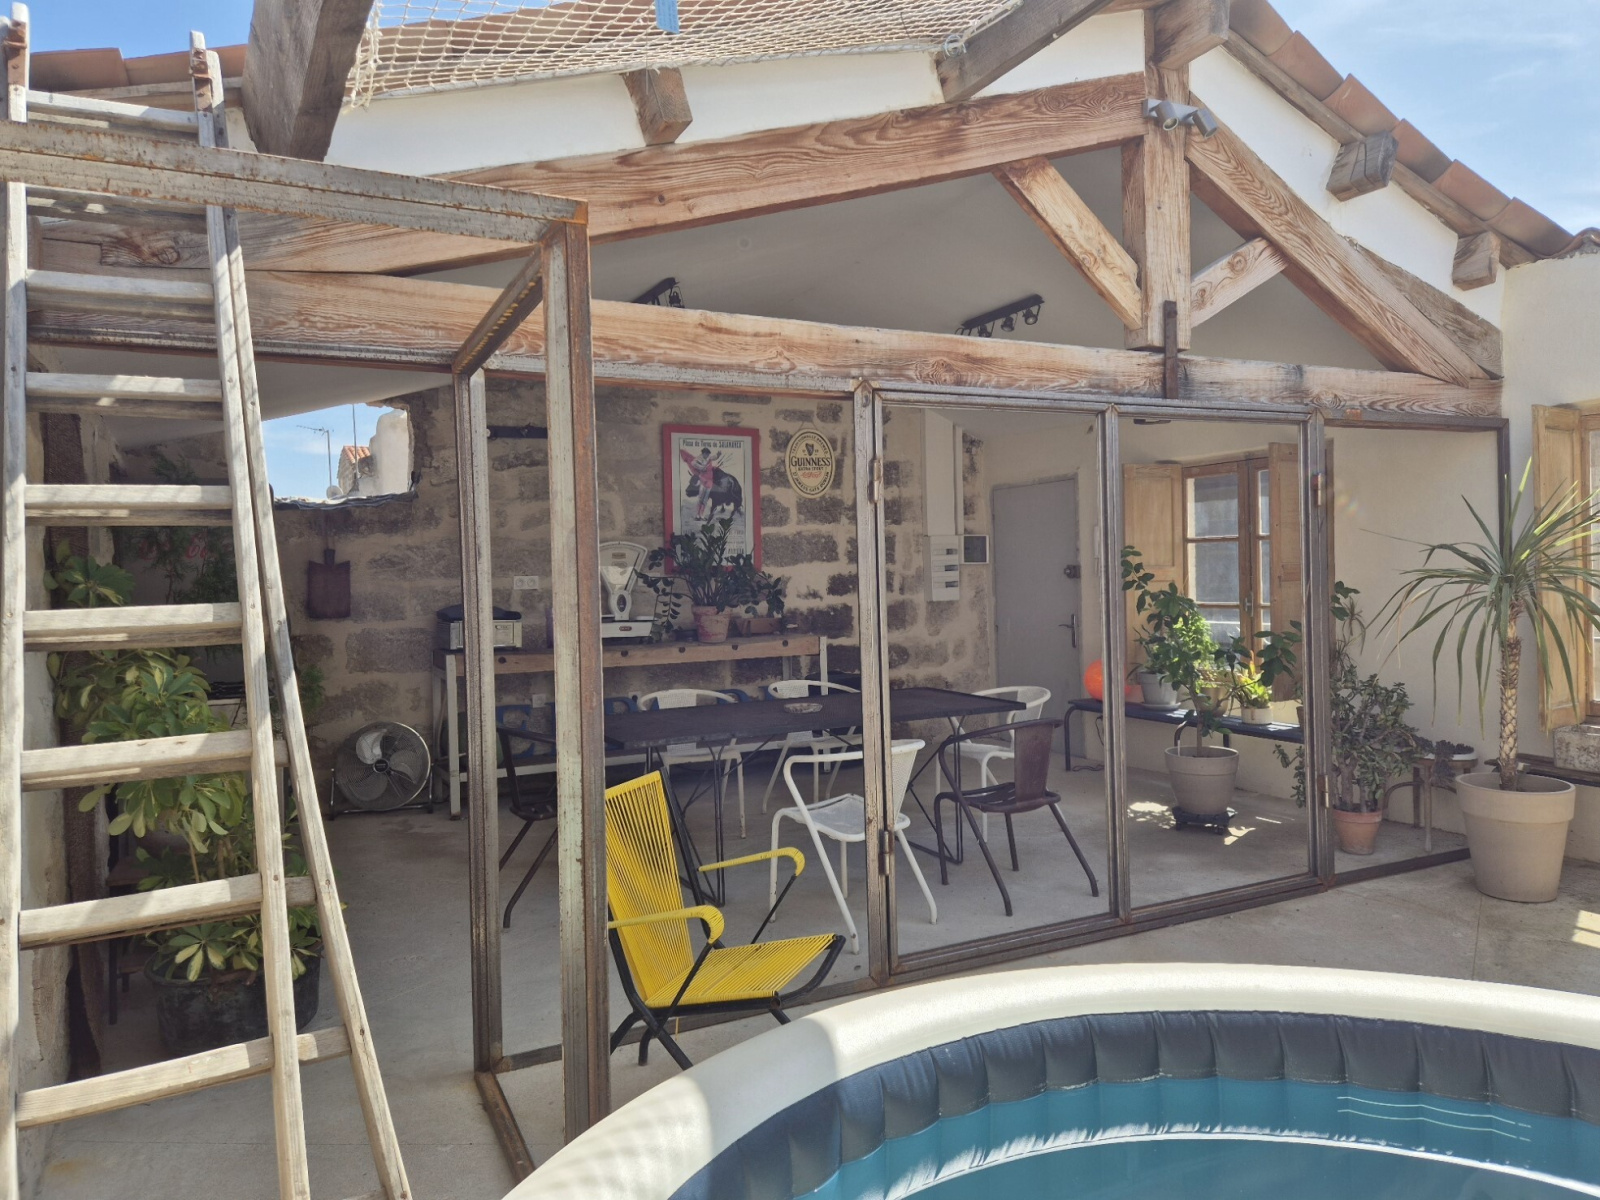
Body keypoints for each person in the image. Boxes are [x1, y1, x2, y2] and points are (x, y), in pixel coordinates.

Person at [680, 445, 724, 521]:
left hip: (709, 481)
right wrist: (701, 467)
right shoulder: (699, 459)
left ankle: (701, 515)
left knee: (705, 500)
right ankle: (698, 515)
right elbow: (693, 463)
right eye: (706, 453)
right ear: (703, 453)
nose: (707, 455)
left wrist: (718, 455)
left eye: (708, 454)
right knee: (700, 499)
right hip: (703, 480)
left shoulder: (709, 458)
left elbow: (714, 457)